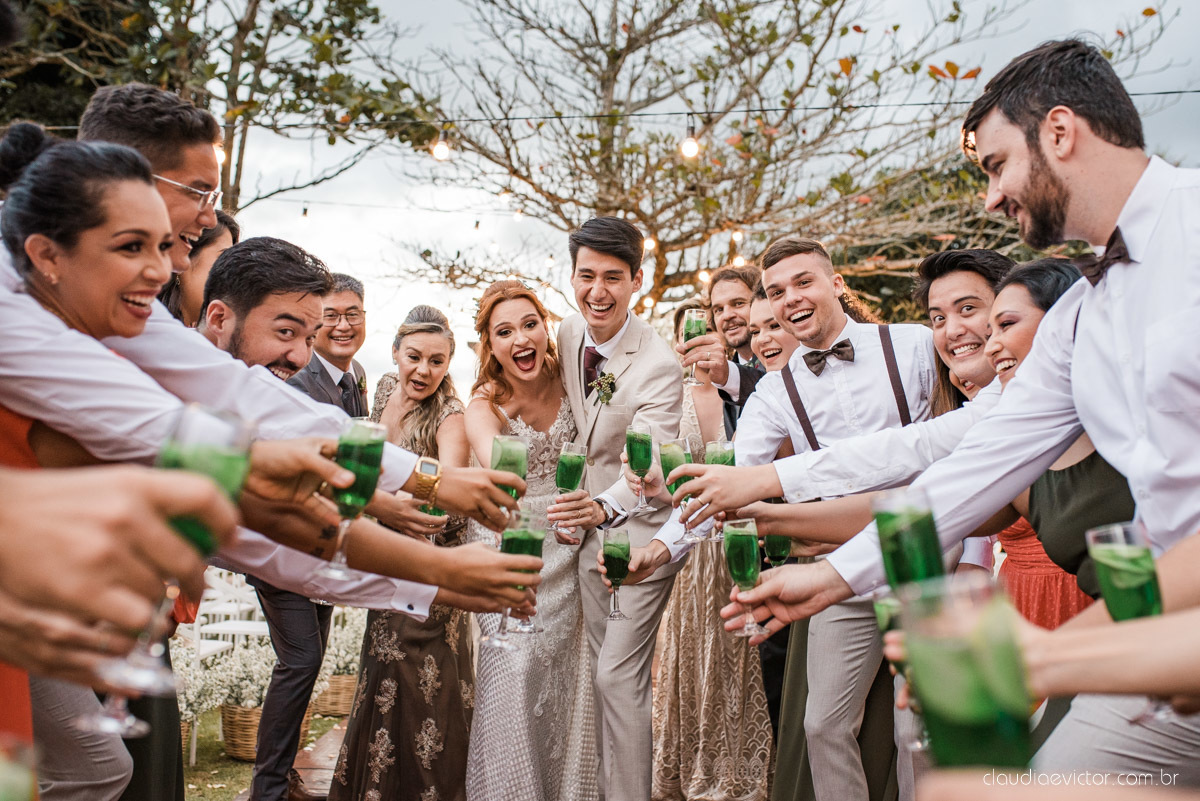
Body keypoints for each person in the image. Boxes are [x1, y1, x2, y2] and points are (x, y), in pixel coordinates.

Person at [728, 38, 1200, 785]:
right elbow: (970, 461)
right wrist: (833, 578)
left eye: (995, 166)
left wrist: (1046, 654)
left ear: (1060, 132)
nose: (989, 197)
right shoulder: (1080, 315)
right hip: (1159, 622)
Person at [559, 217, 683, 801]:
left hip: (640, 537)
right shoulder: (563, 335)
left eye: (613, 277)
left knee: (618, 676)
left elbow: (647, 464)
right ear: (573, 276)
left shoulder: (658, 363)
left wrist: (599, 511)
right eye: (587, 276)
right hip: (581, 541)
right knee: (598, 677)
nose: (597, 291)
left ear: (637, 280)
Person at [331, 305, 475, 801]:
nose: (423, 371)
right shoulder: (385, 398)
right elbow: (358, 474)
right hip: (385, 569)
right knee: (383, 679)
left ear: (449, 363)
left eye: (437, 361)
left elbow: (451, 495)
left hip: (430, 577)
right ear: (395, 353)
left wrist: (389, 505)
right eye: (413, 357)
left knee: (425, 693)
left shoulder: (451, 416)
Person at [463, 279, 600, 801]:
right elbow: (494, 462)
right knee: (515, 672)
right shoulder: (487, 402)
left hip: (573, 541)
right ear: (490, 346)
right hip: (513, 544)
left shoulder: (578, 381)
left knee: (574, 679)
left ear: (546, 328)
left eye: (529, 324)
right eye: (504, 331)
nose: (520, 338)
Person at [649, 298, 772, 801]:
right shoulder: (664, 402)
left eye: (706, 332)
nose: (698, 342)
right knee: (690, 655)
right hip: (687, 545)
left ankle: (739, 771)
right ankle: (692, 765)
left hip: (739, 538)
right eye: (689, 333)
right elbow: (655, 483)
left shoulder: (742, 394)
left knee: (738, 654)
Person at [289, 273, 370, 417]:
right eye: (331, 316)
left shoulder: (357, 370)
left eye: (352, 314)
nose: (344, 326)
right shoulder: (296, 380)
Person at [157, 208, 239, 326]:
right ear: (181, 261)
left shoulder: (228, 339)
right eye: (224, 259)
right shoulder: (139, 331)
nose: (234, 274)